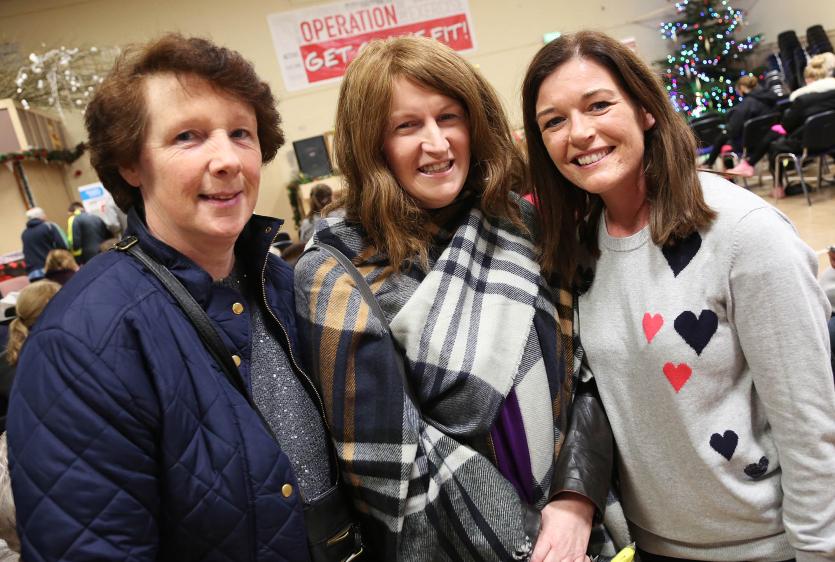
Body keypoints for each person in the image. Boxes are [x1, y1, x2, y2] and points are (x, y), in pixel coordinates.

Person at [8, 34, 359, 561]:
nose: (227, 160)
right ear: (131, 164)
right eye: (188, 137)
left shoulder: (284, 285)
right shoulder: (85, 341)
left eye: (241, 133)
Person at [295, 36, 615, 561]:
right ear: (370, 144)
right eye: (406, 126)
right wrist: (527, 544)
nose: (438, 144)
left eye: (449, 117)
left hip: (577, 529)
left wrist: (576, 498)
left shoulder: (520, 223)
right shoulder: (335, 271)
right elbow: (393, 467)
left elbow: (586, 372)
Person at [522, 30, 835, 561]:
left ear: (645, 109)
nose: (579, 133)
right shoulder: (579, 247)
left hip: (767, 549)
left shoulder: (743, 233)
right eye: (554, 121)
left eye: (599, 105)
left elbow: (810, 425)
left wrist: (818, 552)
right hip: (652, 546)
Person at [728, 54, 835, 180]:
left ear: (810, 78)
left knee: (774, 141)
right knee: (775, 133)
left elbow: (787, 126)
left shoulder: (802, 99)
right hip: (830, 139)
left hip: (809, 143)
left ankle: (768, 179)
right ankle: (749, 164)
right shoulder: (830, 95)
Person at [702, 75, 777, 169]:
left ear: (742, 88)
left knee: (725, 140)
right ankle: (709, 163)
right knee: (725, 136)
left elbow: (733, 130)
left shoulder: (746, 105)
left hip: (749, 144)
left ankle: (712, 166)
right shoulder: (771, 98)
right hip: (770, 137)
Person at [20, 207, 68, 281]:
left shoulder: (24, 233)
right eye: (44, 214)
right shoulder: (49, 226)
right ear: (40, 216)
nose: (45, 216)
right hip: (51, 270)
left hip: (33, 273)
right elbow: (63, 246)